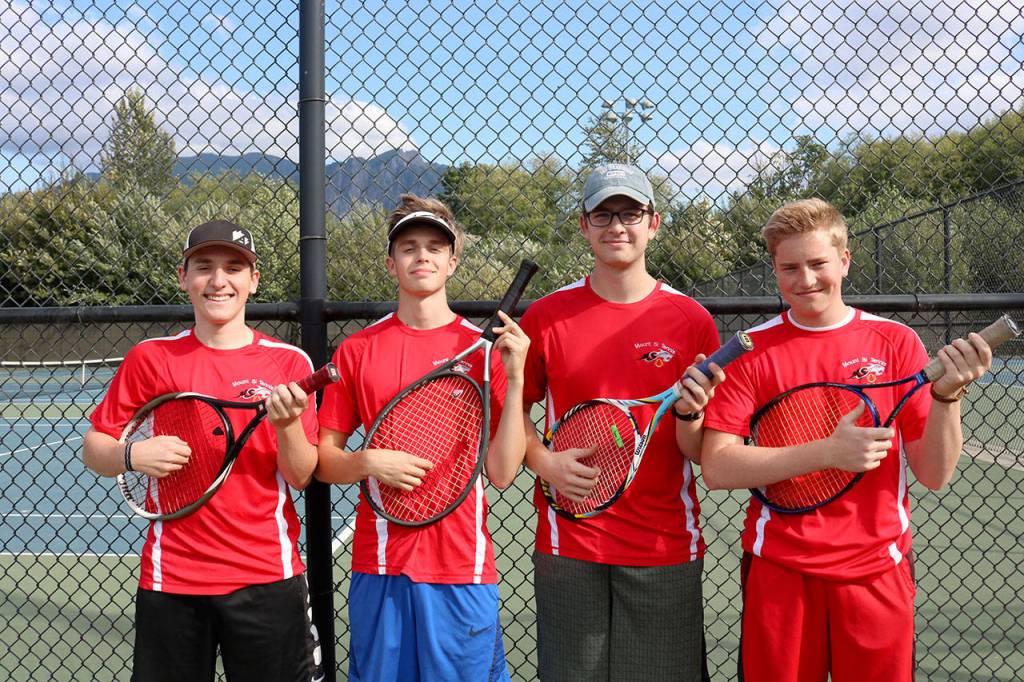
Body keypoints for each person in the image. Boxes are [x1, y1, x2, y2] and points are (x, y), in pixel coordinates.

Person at [700, 198, 995, 681]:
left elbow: (934, 473)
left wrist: (947, 398)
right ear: (773, 268)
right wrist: (827, 453)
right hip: (781, 567)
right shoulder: (750, 351)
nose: (806, 280)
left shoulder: (896, 343)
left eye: (818, 264)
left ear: (845, 260)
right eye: (789, 267)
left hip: (877, 568)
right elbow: (717, 467)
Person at [82, 219, 323, 682]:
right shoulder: (151, 357)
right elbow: (96, 447)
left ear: (253, 281)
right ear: (184, 277)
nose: (218, 280)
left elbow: (300, 475)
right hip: (172, 579)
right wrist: (132, 455)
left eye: (234, 268)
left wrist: (289, 425)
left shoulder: (288, 362)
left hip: (267, 576)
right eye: (204, 267)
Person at [519, 163, 724, 681]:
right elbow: (511, 412)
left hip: (664, 542)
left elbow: (700, 449)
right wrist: (543, 460)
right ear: (583, 225)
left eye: (630, 212)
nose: (617, 226)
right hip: (571, 538)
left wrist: (691, 412)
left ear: (654, 222)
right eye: (603, 214)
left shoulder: (690, 319)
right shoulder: (546, 316)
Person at [315, 194, 529, 682]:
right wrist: (367, 461)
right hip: (381, 562)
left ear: (452, 261)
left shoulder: (483, 351)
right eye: (409, 247)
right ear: (392, 263)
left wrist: (514, 379)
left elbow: (501, 472)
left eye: (435, 247)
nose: (422, 257)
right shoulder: (357, 351)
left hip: (461, 567)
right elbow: (324, 460)